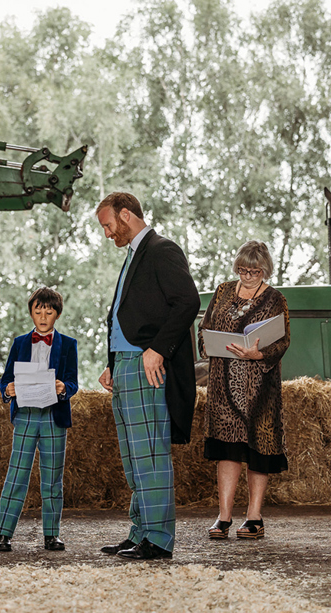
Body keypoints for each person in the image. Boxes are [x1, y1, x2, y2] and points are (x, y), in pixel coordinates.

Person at [95, 192, 200, 560]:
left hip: (146, 365)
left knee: (150, 453)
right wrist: (114, 360)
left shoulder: (161, 249)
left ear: (126, 215)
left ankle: (157, 540)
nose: (107, 233)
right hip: (126, 364)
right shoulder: (134, 256)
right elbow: (133, 313)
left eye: (108, 225)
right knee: (133, 456)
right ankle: (139, 532)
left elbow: (188, 301)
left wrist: (157, 349)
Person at [198, 240, 290, 540]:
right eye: (243, 270)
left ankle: (254, 517)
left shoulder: (276, 299)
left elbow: (282, 340)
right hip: (223, 383)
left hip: (260, 387)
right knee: (227, 449)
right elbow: (205, 326)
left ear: (265, 270)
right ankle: (223, 517)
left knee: (257, 449)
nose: (248, 276)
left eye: (254, 271)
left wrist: (259, 355)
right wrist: (207, 343)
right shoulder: (223, 291)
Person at [0, 287, 79, 553]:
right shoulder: (20, 343)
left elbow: (73, 382)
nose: (43, 316)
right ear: (31, 312)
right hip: (26, 416)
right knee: (16, 475)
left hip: (54, 417)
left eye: (49, 311)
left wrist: (63, 388)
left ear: (57, 314)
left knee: (52, 479)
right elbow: (6, 378)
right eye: (38, 310)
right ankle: (3, 534)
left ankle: (51, 535)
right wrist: (7, 389)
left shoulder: (69, 344)